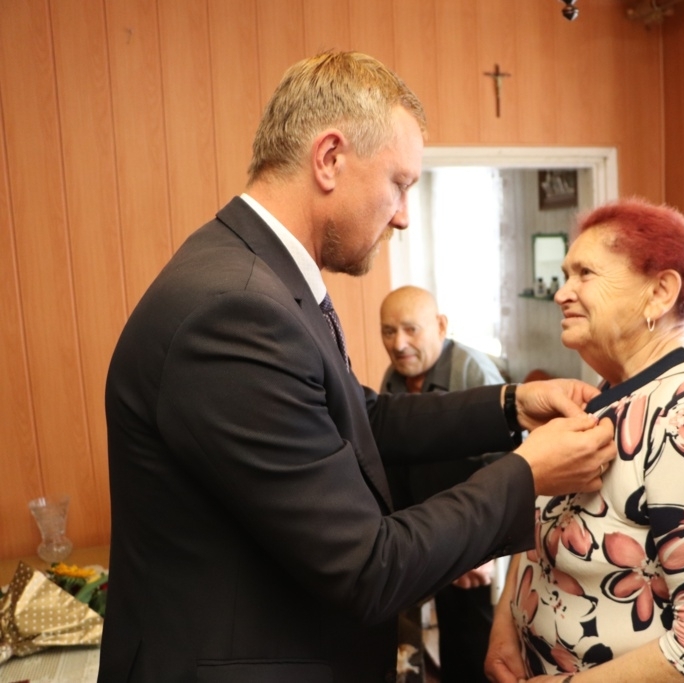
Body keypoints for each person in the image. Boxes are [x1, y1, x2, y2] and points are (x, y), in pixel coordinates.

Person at [99, 50, 616, 683]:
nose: (403, 215)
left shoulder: (262, 276)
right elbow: (366, 567)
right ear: (329, 158)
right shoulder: (234, 309)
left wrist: (508, 405)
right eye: (399, 183)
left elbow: (361, 417)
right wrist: (526, 473)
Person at [485, 198, 684, 683]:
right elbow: (544, 513)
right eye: (566, 274)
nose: (562, 293)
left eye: (585, 274)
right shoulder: (616, 388)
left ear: (660, 292)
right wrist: (505, 625)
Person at [379, 285, 507, 682]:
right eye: (388, 332)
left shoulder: (472, 372)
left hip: (470, 535)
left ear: (440, 326)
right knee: (404, 642)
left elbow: (504, 466)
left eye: (411, 330)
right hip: (417, 532)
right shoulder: (393, 379)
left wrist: (482, 548)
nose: (399, 344)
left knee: (469, 645)